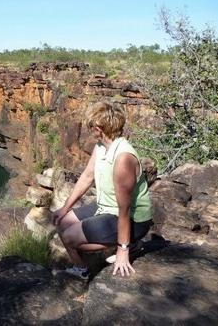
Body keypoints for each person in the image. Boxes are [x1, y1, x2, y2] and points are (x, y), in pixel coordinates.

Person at [52, 101, 153, 279]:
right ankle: (83, 265)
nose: (89, 130)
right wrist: (65, 208)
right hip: (106, 206)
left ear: (99, 128)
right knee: (62, 223)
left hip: (132, 219)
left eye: (91, 126)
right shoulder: (101, 147)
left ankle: (126, 244)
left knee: (69, 237)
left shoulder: (123, 158)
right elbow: (87, 177)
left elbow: (125, 209)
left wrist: (123, 250)